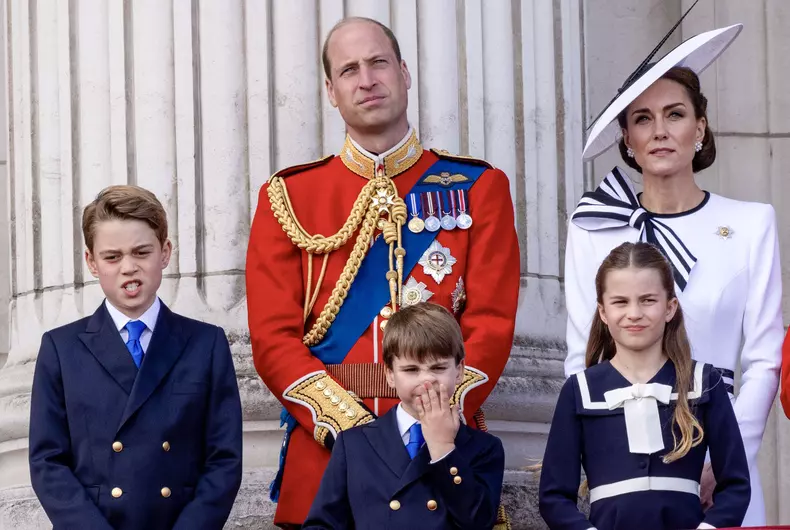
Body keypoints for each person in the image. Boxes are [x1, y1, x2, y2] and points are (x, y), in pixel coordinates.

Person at [245, 16, 519, 528]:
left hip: (441, 449)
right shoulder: (288, 197)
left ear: (405, 73)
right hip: (328, 456)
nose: (366, 79)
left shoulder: (479, 187)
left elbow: (491, 323)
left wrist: (436, 415)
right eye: (349, 69)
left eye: (378, 63)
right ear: (331, 91)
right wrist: (354, 431)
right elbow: (272, 339)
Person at [564, 20, 781, 525]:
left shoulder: (751, 223)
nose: (660, 131)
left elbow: (765, 361)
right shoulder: (595, 227)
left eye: (675, 114)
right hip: (624, 454)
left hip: (721, 454)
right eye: (643, 118)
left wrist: (725, 462)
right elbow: (581, 355)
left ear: (700, 127)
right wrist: (603, 456)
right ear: (627, 136)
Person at [28, 186, 243, 530]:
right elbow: (47, 462)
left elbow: (224, 459)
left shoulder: (206, 344)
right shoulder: (60, 348)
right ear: (92, 262)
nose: (128, 267)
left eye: (141, 252)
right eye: (112, 257)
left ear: (165, 252)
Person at [541, 242, 750, 530]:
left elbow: (736, 485)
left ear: (670, 307)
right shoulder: (579, 391)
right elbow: (554, 497)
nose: (634, 313)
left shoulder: (703, 382)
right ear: (603, 312)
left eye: (648, 300)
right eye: (620, 302)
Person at [303, 303, 505, 529]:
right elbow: (322, 525)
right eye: (411, 370)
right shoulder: (353, 444)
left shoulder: (484, 448)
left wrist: (444, 448)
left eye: (438, 368)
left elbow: (478, 522)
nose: (426, 380)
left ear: (459, 371)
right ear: (390, 374)